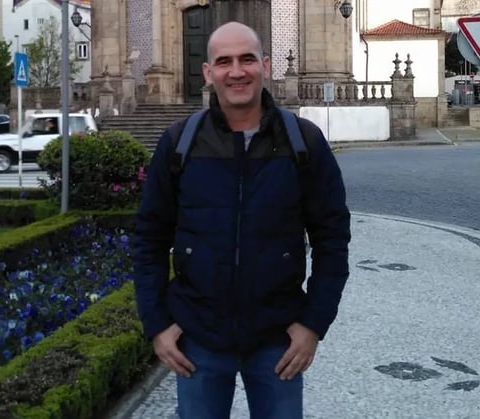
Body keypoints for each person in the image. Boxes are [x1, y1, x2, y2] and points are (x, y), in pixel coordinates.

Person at [132, 21, 351, 419]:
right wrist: (157, 324)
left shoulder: (303, 143)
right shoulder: (179, 144)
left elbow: (332, 239)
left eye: (247, 59)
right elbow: (148, 238)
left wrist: (313, 324)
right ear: (208, 71)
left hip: (277, 339)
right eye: (224, 61)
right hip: (197, 339)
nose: (236, 71)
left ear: (265, 65)